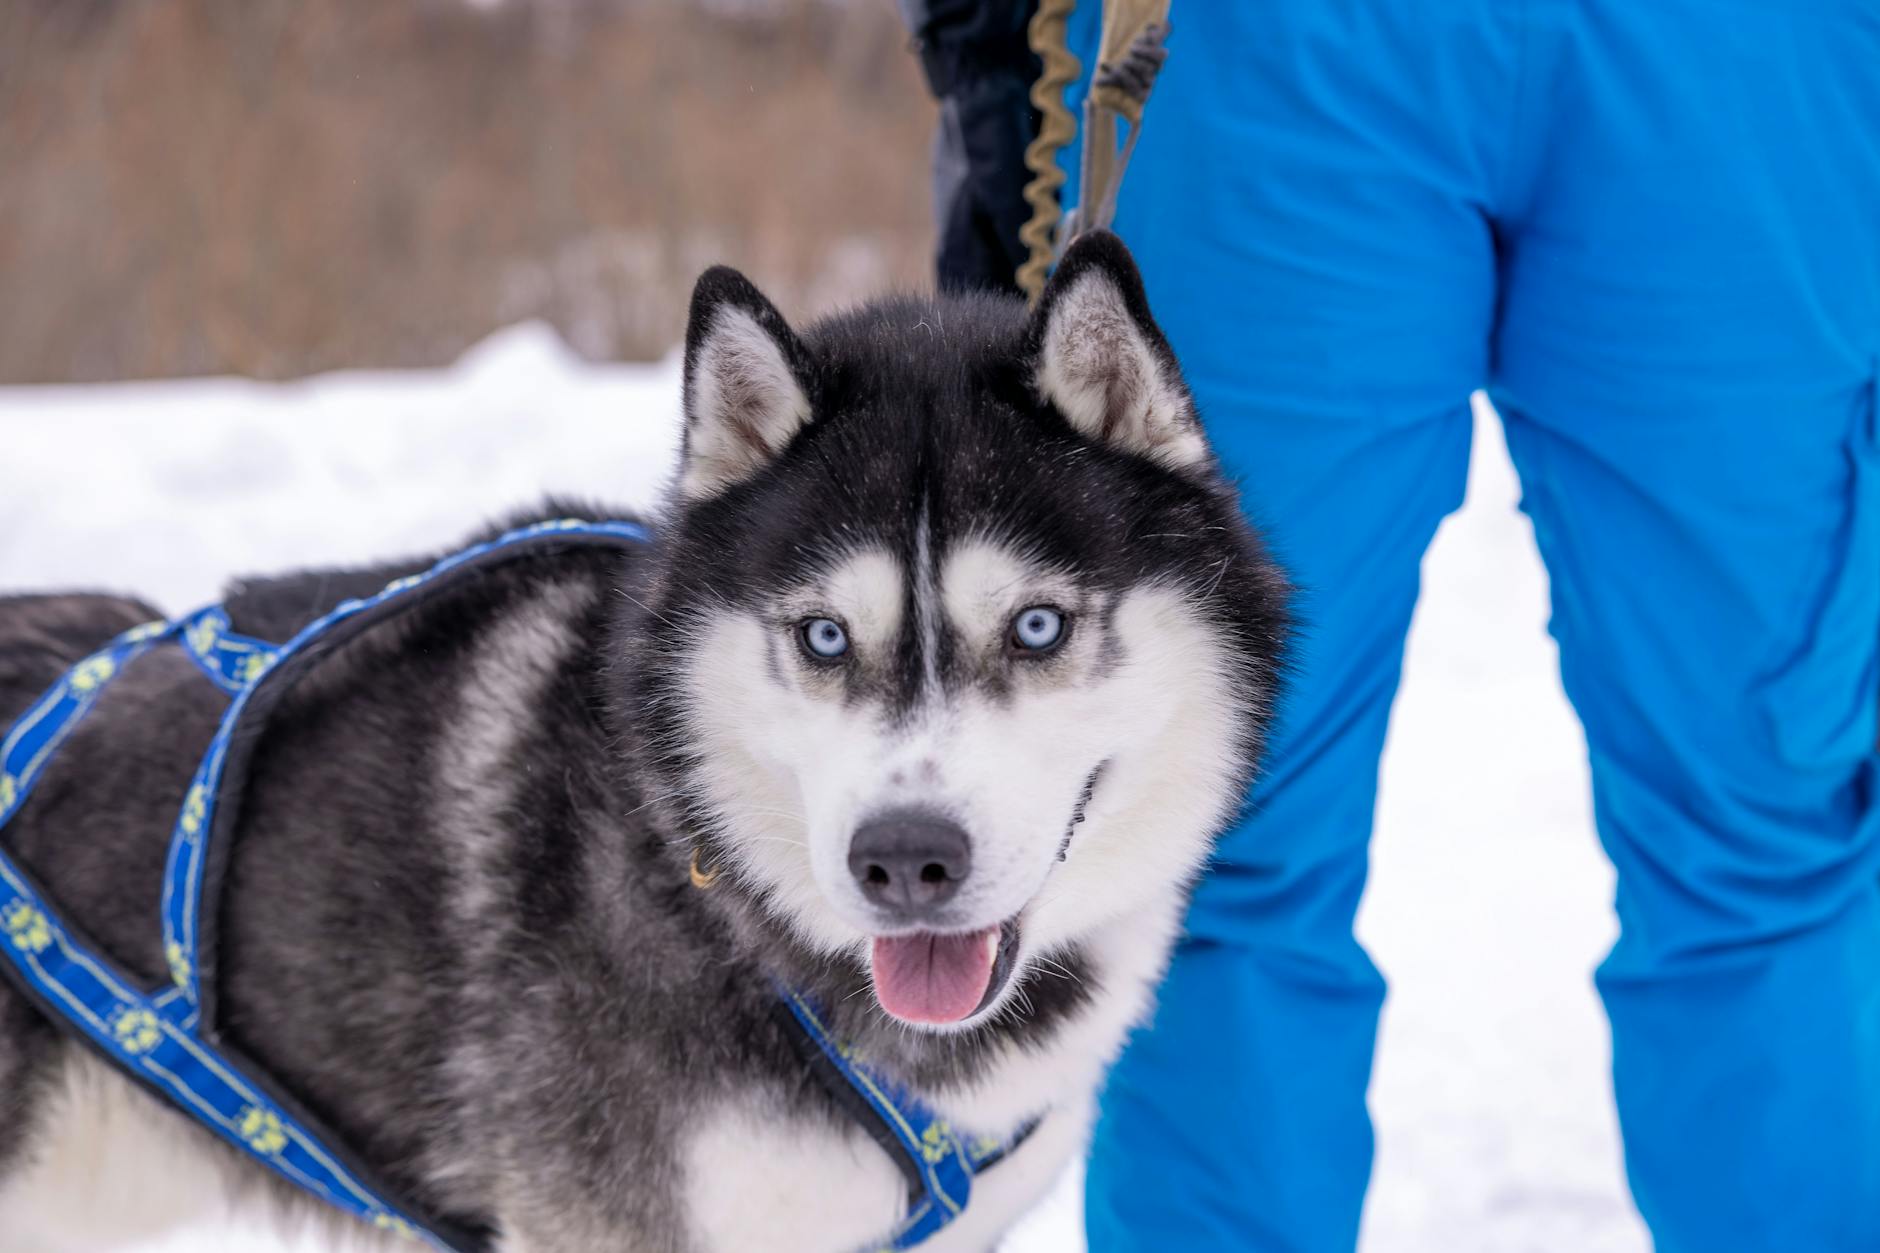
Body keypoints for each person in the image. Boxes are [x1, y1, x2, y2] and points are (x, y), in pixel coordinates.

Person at [906, 2, 1880, 1250]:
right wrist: (984, 51)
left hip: (1741, 56)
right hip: (1263, 51)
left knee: (1769, 820)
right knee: (1199, 824)